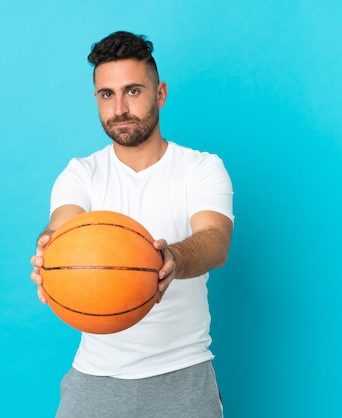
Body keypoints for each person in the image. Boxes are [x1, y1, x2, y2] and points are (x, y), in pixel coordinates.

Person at [30, 30, 234, 418]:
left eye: (133, 91)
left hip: (183, 376)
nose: (120, 107)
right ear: (96, 100)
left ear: (160, 94)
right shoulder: (81, 174)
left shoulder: (202, 169)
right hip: (94, 382)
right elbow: (62, 225)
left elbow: (215, 239)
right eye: (107, 95)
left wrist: (172, 256)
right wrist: (48, 249)